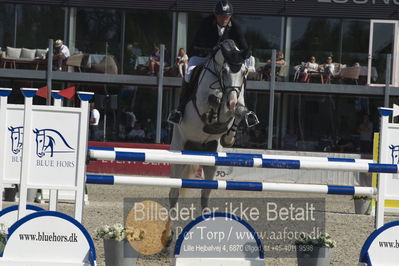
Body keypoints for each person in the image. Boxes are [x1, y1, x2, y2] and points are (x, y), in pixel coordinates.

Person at [168, 0, 249, 124]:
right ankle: (180, 109)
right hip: (203, 56)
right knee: (189, 75)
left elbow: (244, 47)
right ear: (215, 15)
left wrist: (242, 55)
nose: (224, 19)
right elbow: (194, 46)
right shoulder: (206, 24)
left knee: (239, 74)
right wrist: (212, 51)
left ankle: (244, 107)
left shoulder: (236, 26)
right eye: (222, 16)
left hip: (225, 60)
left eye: (227, 16)